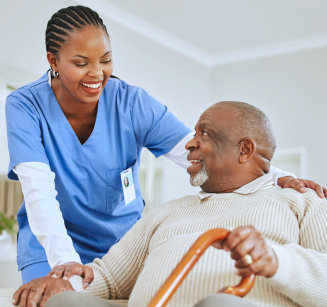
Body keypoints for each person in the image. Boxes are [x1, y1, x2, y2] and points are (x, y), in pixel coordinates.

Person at [5, 5, 323, 285]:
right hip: (50, 244)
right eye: (81, 62)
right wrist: (64, 261)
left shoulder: (132, 104)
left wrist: (275, 175)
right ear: (53, 61)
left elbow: (199, 153)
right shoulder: (25, 105)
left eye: (106, 60)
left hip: (121, 247)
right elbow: (38, 190)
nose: (97, 73)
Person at [13, 102, 327, 307]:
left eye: (204, 134)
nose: (189, 143)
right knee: (62, 303)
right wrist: (60, 285)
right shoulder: (168, 211)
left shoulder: (301, 201)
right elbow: (108, 278)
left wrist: (277, 261)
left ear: (244, 150)